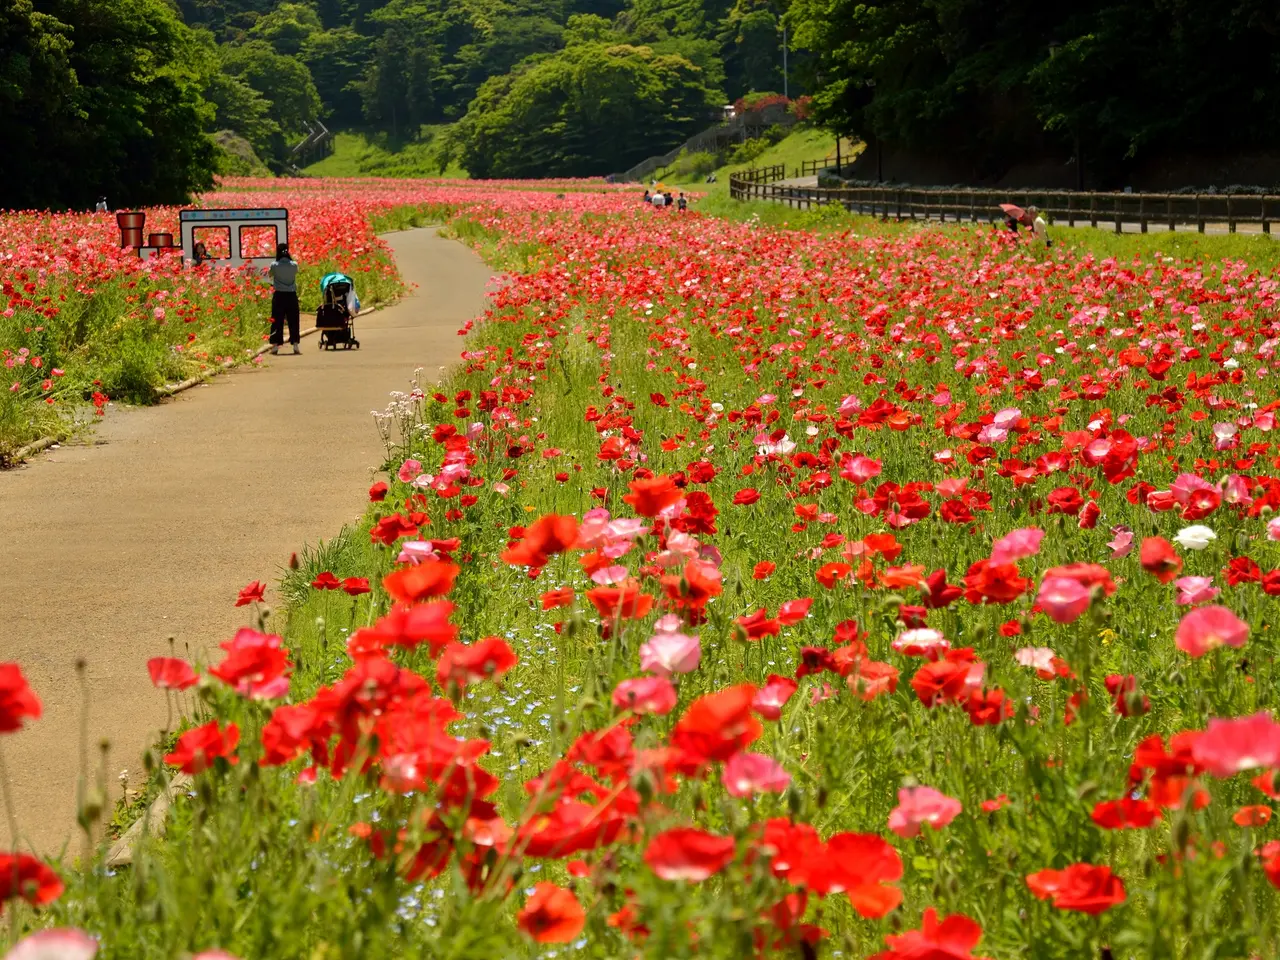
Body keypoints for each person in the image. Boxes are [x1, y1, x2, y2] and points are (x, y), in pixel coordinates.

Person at [268, 243, 301, 355]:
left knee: (277, 320)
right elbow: (296, 273)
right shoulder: (294, 265)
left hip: (279, 295)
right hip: (291, 295)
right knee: (293, 320)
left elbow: (270, 275)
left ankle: (275, 346)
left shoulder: (274, 265)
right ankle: (295, 344)